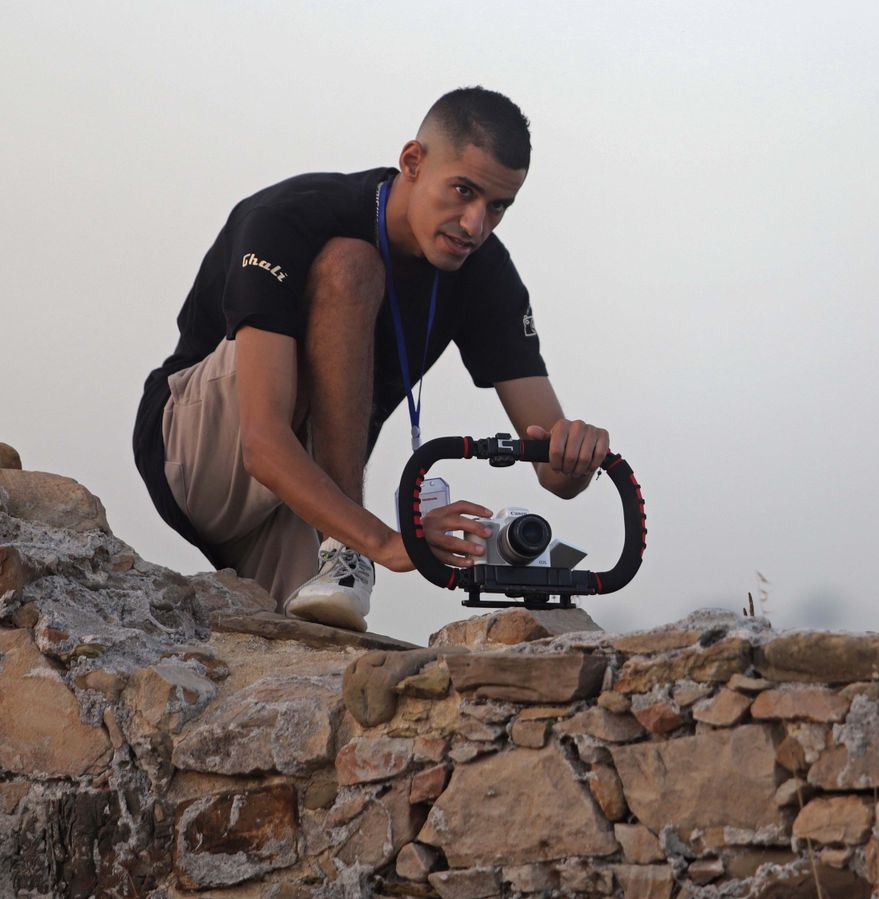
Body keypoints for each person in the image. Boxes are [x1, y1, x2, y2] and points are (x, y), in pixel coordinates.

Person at [132, 88, 610, 633]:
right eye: (463, 191)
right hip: (198, 454)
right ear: (412, 162)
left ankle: (340, 553)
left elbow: (553, 469)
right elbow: (261, 443)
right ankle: (345, 549)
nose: (475, 225)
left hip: (303, 494)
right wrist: (383, 540)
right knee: (351, 265)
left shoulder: (487, 274)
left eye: (497, 206)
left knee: (325, 653)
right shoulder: (289, 217)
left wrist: (576, 451)